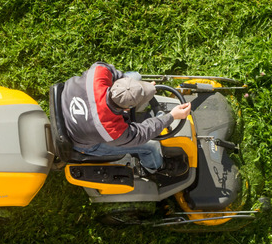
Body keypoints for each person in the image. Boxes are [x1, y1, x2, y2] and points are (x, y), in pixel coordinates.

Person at [60, 62, 191, 174]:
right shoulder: (112, 130)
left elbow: (111, 71)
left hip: (66, 108)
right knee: (151, 146)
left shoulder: (98, 73)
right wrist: (171, 116)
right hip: (83, 143)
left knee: (136, 76)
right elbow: (140, 135)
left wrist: (134, 89)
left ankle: (131, 88)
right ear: (127, 109)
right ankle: (154, 168)